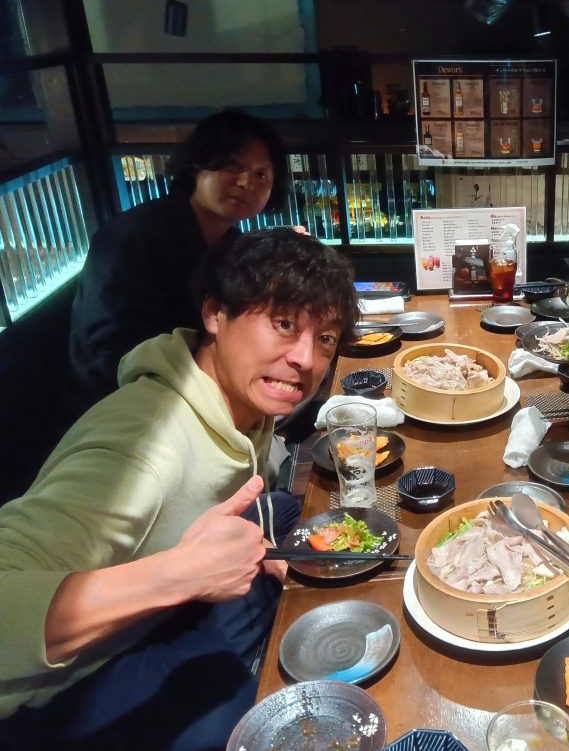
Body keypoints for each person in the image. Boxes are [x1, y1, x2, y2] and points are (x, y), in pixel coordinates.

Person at [0, 229, 359, 750]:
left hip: (158, 613)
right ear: (215, 314)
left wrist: (248, 554)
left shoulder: (237, 397)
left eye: (324, 338)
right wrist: (178, 576)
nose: (304, 358)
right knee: (256, 713)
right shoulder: (138, 449)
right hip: (62, 694)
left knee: (286, 510)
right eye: (284, 324)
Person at [67, 108, 290, 414]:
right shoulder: (131, 237)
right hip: (128, 406)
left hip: (199, 387)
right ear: (197, 165)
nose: (245, 182)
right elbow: (109, 350)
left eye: (261, 174)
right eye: (233, 165)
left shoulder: (231, 244)